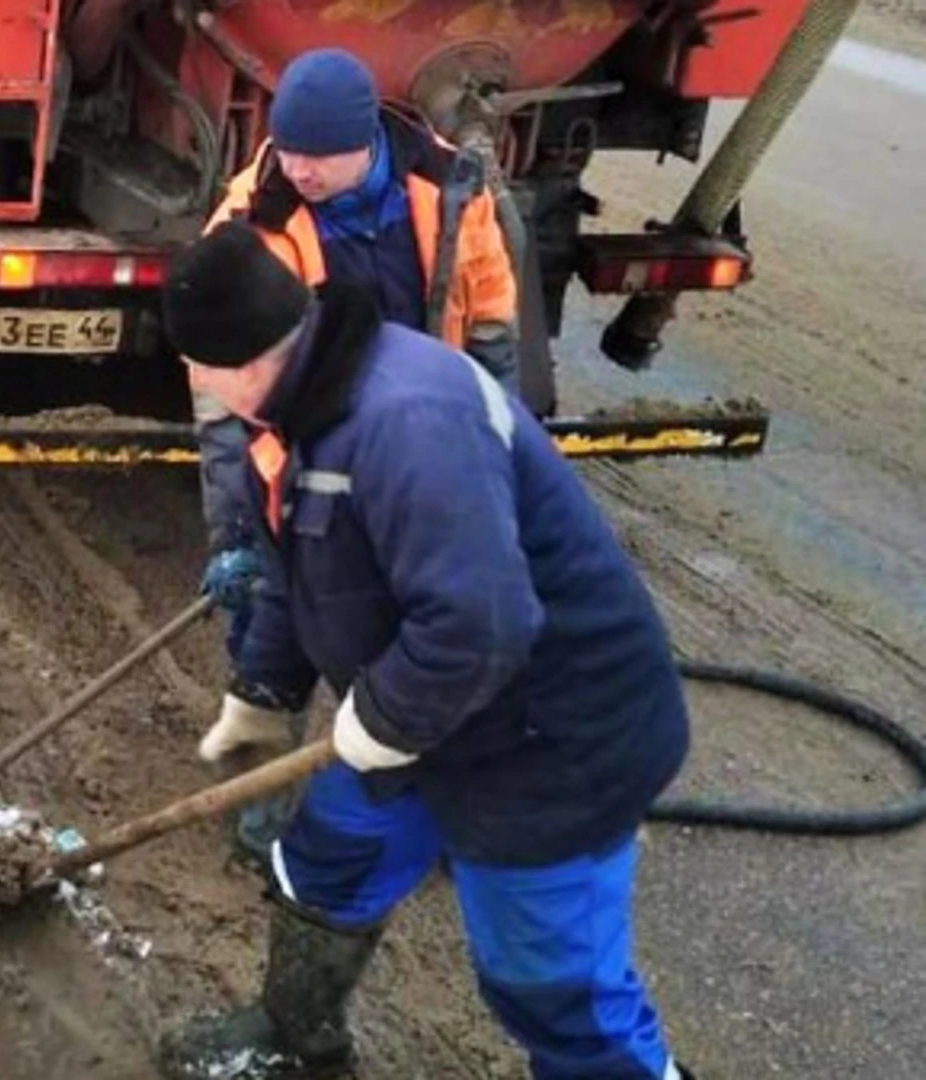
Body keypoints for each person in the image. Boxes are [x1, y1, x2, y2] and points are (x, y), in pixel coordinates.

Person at [156, 219, 694, 1080]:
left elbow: (484, 623)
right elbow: (309, 566)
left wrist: (384, 720)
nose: (197, 384)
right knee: (323, 864)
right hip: (441, 709)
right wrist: (263, 688)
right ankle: (296, 1043)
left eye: (199, 367)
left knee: (550, 984)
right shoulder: (312, 403)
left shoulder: (405, 421)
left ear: (246, 358)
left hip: (550, 740)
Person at [192, 47, 523, 863]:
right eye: (286, 150)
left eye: (318, 156)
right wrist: (235, 530)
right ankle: (262, 813)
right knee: (276, 634)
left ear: (365, 143)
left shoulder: (448, 190)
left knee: (416, 640)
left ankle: (425, 810)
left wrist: (495, 450)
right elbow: (222, 406)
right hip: (299, 458)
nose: (296, 169)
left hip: (412, 445)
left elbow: (489, 324)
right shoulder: (251, 227)